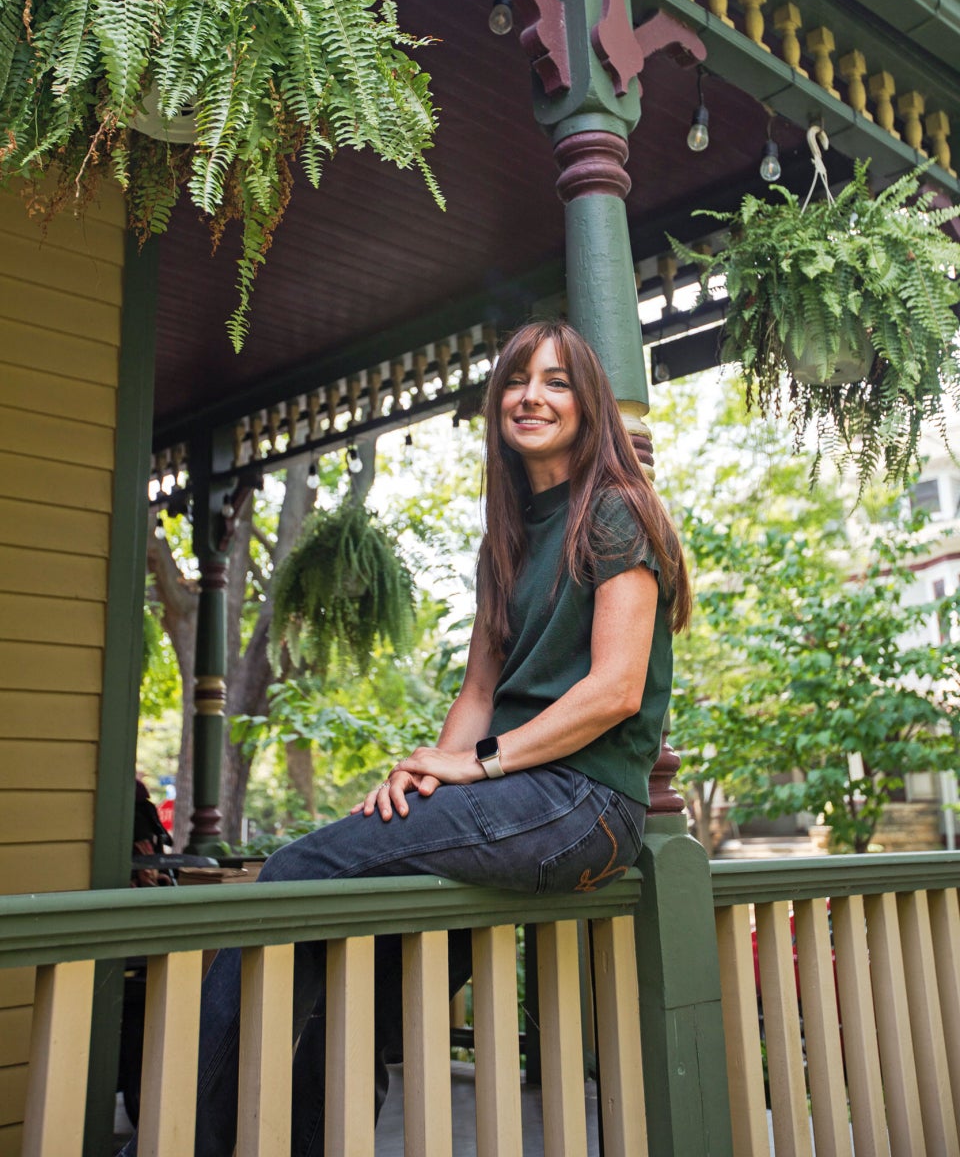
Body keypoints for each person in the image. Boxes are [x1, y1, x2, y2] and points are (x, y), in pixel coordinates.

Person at [125, 319, 691, 1157]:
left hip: (585, 803)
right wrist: (424, 773)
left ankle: (174, 1144)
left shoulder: (612, 513)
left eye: (557, 382)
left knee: (293, 873)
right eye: (516, 381)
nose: (531, 396)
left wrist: (477, 762)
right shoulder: (506, 540)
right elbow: (477, 692)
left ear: (590, 405)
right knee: (364, 971)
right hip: (515, 795)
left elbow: (613, 691)